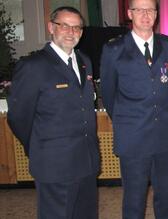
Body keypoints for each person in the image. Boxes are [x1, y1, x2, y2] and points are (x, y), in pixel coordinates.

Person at [7, 6, 100, 219]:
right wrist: (41, 148)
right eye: (64, 25)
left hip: (86, 161)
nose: (71, 32)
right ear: (51, 27)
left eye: (77, 27)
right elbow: (19, 117)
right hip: (54, 164)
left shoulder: (84, 61)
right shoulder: (33, 65)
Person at [99, 0, 168, 218]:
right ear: (130, 13)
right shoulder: (114, 49)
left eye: (151, 10)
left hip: (165, 133)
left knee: (167, 197)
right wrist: (127, 119)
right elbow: (108, 93)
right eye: (139, 10)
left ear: (156, 15)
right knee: (134, 198)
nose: (145, 15)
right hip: (133, 135)